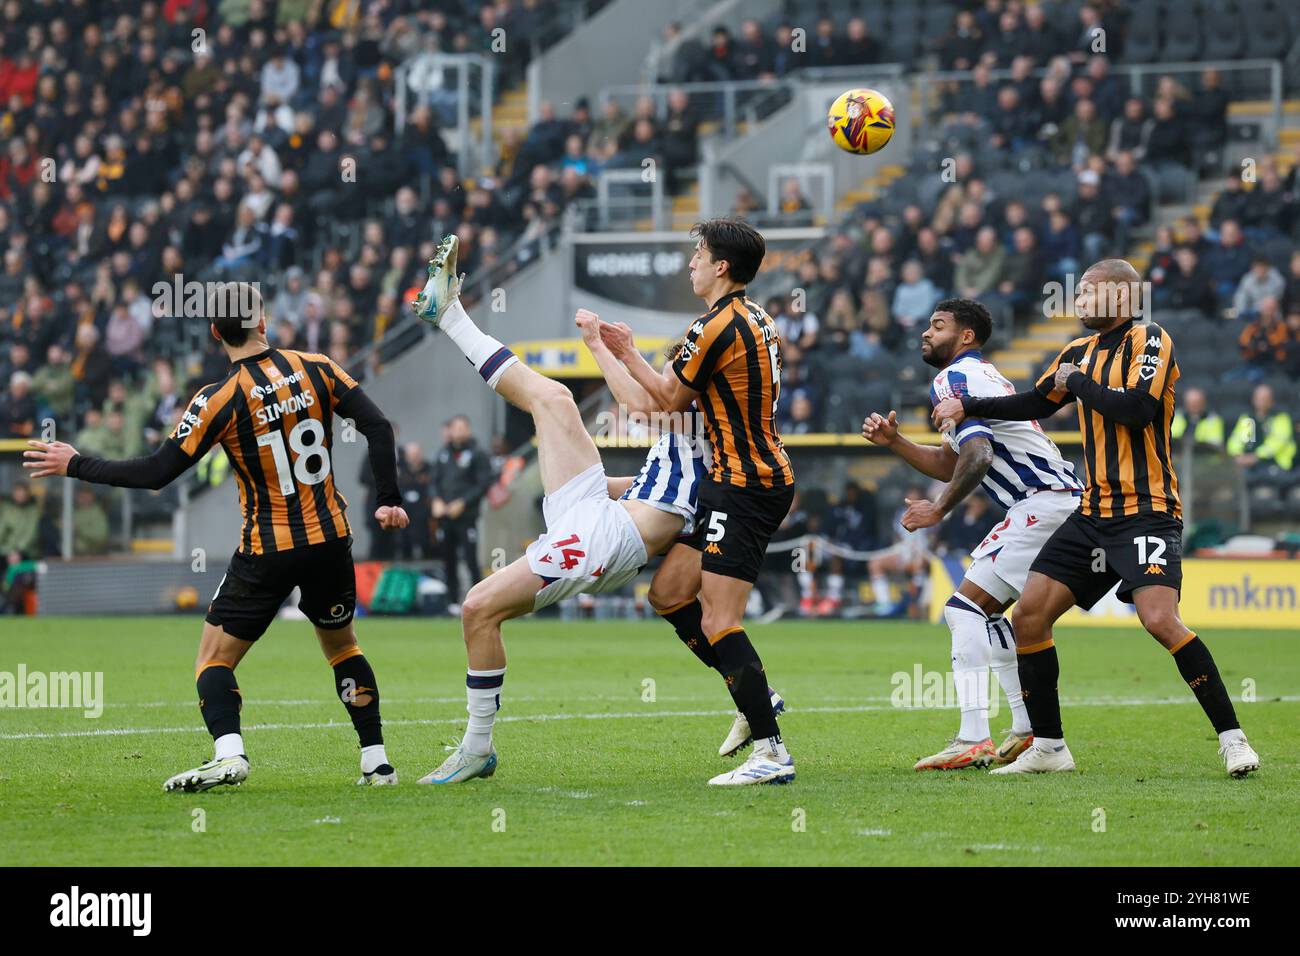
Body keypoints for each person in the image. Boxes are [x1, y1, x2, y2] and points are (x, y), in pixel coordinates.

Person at [24, 284, 411, 791]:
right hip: (330, 540)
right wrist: (389, 498)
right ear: (263, 321)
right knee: (342, 647)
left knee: (212, 659)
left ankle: (229, 755)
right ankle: (376, 761)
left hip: (266, 550)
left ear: (214, 334)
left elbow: (157, 472)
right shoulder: (317, 366)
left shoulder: (217, 399)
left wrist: (76, 463)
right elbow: (378, 426)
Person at [409, 236, 725, 784]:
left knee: (478, 608)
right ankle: (451, 313)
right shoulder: (686, 426)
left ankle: (476, 747)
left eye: (679, 363)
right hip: (600, 508)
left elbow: (643, 405)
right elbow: (649, 478)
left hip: (608, 539)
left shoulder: (696, 413)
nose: (674, 370)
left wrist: (607, 349)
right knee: (552, 398)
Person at [933, 259, 1260, 778]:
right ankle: (1049, 747)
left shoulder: (1150, 339)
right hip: (1093, 513)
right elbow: (1033, 401)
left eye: (1086, 294)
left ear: (1119, 297)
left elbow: (1136, 410)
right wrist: (966, 406)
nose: (1078, 302)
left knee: (1159, 620)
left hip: (1146, 511)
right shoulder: (1075, 353)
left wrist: (1077, 382)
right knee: (1029, 617)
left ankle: (1233, 739)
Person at [593, 219, 797, 785]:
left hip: (745, 483)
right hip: (731, 478)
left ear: (721, 267)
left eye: (698, 255)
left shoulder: (714, 326)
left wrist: (624, 351)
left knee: (719, 617)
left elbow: (662, 400)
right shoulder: (758, 318)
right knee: (669, 592)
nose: (691, 264)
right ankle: (755, 695)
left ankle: (772, 751)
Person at [865, 299, 1084, 770]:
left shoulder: (955, 380)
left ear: (966, 336)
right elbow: (954, 461)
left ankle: (972, 736)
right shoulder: (979, 377)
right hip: (1060, 501)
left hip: (1042, 501)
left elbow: (979, 455)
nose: (926, 332)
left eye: (937, 325)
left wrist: (939, 510)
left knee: (963, 609)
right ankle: (1027, 730)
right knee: (997, 615)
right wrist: (896, 442)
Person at [430, 414, 494, 609]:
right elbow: (434, 481)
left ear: (468, 429)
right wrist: (436, 500)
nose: (458, 431)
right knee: (448, 558)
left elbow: (484, 483)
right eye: (454, 428)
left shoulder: (478, 454)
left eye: (462, 427)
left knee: (470, 558)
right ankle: (452, 602)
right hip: (445, 516)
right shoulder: (443, 453)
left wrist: (463, 502)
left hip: (466, 516)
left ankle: (478, 600)